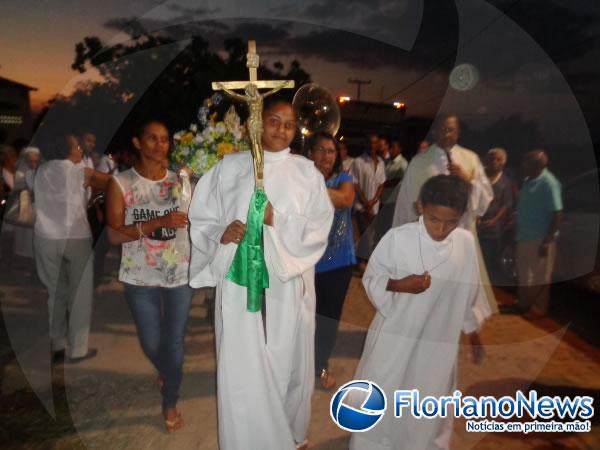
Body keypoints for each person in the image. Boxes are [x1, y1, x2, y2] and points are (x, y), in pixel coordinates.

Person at [188, 97, 333, 450]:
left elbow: (319, 226)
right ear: (257, 123)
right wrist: (220, 233)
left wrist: (277, 219)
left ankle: (287, 435)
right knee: (242, 365)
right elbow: (202, 217)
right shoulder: (229, 167)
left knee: (287, 362)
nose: (281, 130)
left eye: (288, 124)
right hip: (240, 284)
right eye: (273, 120)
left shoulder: (306, 173)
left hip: (286, 283)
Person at [350, 175, 489, 450]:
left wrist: (474, 336)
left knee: (427, 399)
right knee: (384, 393)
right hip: (396, 338)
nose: (441, 229)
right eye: (434, 219)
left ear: (462, 217)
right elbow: (372, 278)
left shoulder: (464, 243)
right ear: (420, 207)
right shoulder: (398, 239)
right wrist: (401, 285)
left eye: (451, 222)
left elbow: (470, 294)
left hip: (438, 344)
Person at [106, 119, 193, 432]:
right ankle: (166, 370)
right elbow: (114, 236)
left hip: (179, 273)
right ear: (137, 143)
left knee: (175, 345)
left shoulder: (181, 181)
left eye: (165, 139)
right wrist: (157, 222)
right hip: (139, 275)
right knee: (151, 342)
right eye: (152, 139)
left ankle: (169, 400)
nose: (160, 145)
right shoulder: (121, 184)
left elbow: (196, 219)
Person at [392, 114, 497, 313]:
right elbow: (405, 202)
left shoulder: (471, 159)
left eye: (451, 129)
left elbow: (485, 198)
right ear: (434, 131)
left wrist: (468, 180)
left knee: (456, 296)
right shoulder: (419, 162)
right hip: (426, 238)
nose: (446, 134)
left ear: (458, 133)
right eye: (442, 129)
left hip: (460, 237)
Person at [34, 132, 110, 364]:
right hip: (75, 237)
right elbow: (110, 182)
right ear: (70, 149)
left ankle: (56, 344)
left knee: (55, 293)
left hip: (45, 237)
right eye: (78, 146)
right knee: (80, 294)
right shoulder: (78, 171)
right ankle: (77, 349)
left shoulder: (41, 171)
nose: (80, 150)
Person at [308, 131, 356, 390]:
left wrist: (308, 188)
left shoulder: (344, 178)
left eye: (331, 151)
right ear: (310, 153)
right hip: (305, 262)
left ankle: (320, 366)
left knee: (328, 319)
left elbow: (346, 199)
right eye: (320, 150)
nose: (326, 155)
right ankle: (300, 363)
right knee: (303, 317)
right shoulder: (302, 178)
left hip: (338, 263)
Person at [516, 150, 562, 320]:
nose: (522, 167)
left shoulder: (549, 183)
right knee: (524, 273)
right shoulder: (528, 181)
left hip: (540, 238)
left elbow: (557, 213)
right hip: (524, 235)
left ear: (537, 166)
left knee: (540, 276)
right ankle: (524, 304)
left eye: (525, 164)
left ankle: (538, 308)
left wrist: (547, 241)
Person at [477, 148, 515, 283]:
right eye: (492, 158)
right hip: (476, 225)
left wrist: (494, 220)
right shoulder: (479, 177)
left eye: (498, 159)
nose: (494, 162)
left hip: (492, 228)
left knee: (490, 262)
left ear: (503, 163)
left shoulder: (505, 182)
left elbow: (507, 204)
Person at [353, 133, 386, 235]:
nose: (372, 145)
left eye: (374, 143)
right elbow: (355, 185)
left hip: (375, 208)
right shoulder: (358, 161)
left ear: (378, 145)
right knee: (365, 239)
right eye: (369, 142)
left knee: (371, 238)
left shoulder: (381, 162)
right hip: (361, 208)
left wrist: (373, 201)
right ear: (365, 144)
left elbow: (381, 184)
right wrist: (366, 204)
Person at [13, 147, 42, 264]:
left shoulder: (37, 172)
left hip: (37, 209)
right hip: (24, 208)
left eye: (36, 161)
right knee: (24, 237)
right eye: (30, 161)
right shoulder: (20, 173)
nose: (33, 164)